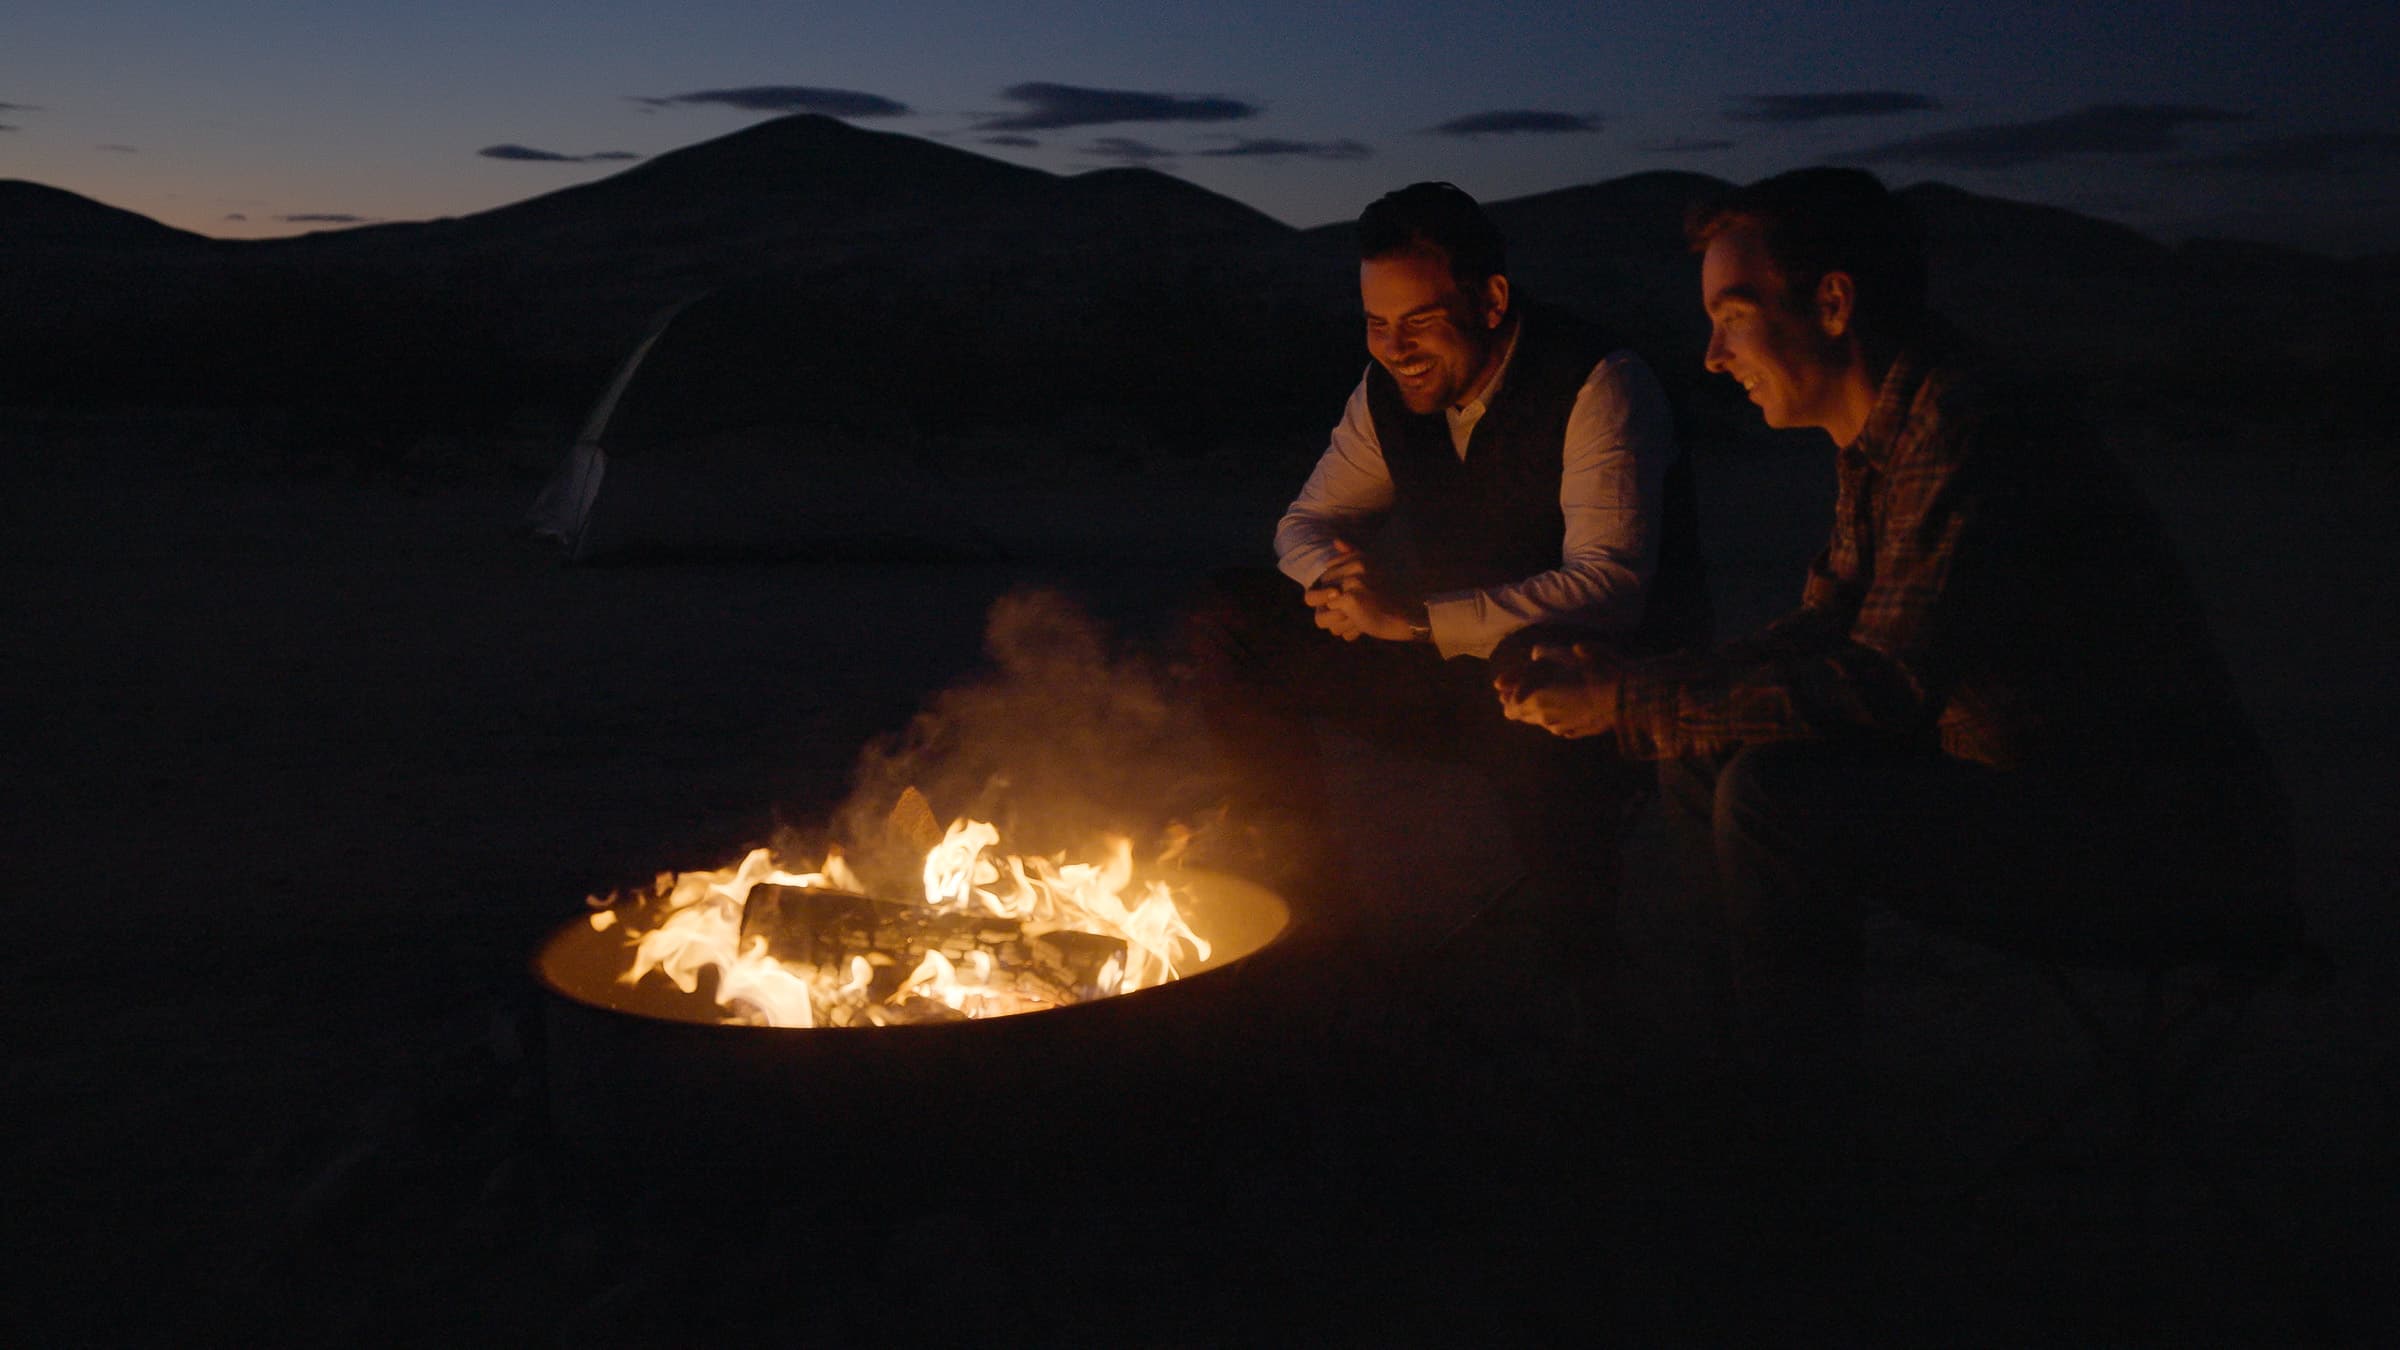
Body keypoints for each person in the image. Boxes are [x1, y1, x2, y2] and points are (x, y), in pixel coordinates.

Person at [1498, 168, 2299, 1083]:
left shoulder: (1967, 426)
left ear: (1833, 303)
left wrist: (1627, 703)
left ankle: (1799, 1132)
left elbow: (1883, 683)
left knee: (1773, 797)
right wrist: (1634, 685)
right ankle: (1743, 1072)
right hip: (2034, 798)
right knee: (1702, 752)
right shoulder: (1890, 432)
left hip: (2151, 847)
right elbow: (1826, 628)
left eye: (1733, 316)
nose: (1713, 356)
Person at [1187, 181, 1707, 981]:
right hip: (1444, 673)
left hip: (1601, 681)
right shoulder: (1388, 394)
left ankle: (1587, 976)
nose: (1395, 348)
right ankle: (1311, 912)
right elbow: (1305, 522)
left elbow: (1609, 586)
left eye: (1419, 320)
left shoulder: (1598, 382)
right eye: (1377, 324)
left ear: (1491, 300)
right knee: (1234, 614)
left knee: (1538, 670)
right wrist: (1339, 584)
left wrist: (1416, 621)